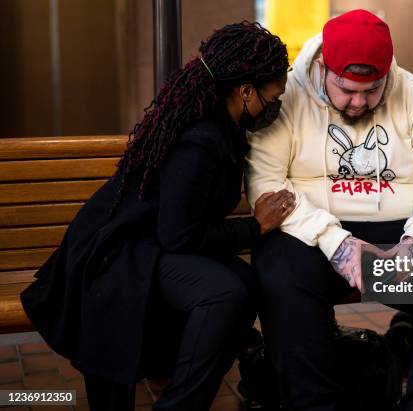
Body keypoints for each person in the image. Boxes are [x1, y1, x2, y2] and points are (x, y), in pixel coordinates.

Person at [20, 21, 293, 411]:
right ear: (245, 91)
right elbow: (180, 236)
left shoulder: (222, 122)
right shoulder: (201, 138)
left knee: (243, 282)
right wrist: (256, 227)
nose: (274, 108)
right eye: (272, 98)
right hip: (116, 255)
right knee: (225, 292)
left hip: (151, 243)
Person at [246, 9, 413, 411]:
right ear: (323, 68)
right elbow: (266, 183)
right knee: (281, 275)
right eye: (346, 89)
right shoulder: (288, 95)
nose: (358, 102)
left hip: (403, 230)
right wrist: (336, 243)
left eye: (372, 90)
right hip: (313, 232)